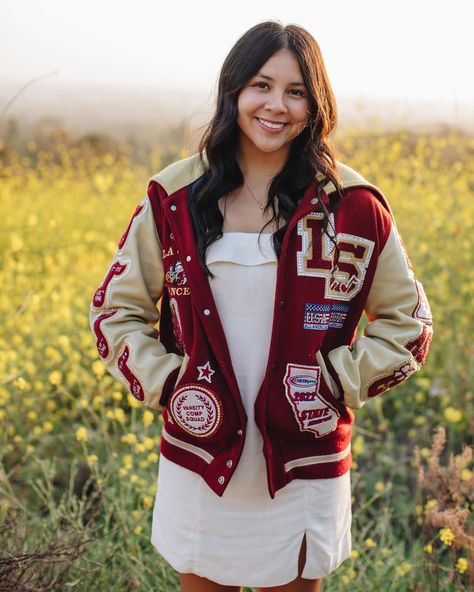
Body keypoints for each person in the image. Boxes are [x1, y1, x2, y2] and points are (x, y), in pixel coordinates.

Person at [89, 20, 433, 592]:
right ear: (234, 93)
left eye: (296, 91)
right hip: (200, 454)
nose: (277, 105)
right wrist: (173, 383)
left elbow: (409, 324)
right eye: (261, 85)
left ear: (316, 103)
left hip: (305, 462)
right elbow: (113, 311)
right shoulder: (174, 198)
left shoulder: (353, 206)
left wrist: (332, 381)